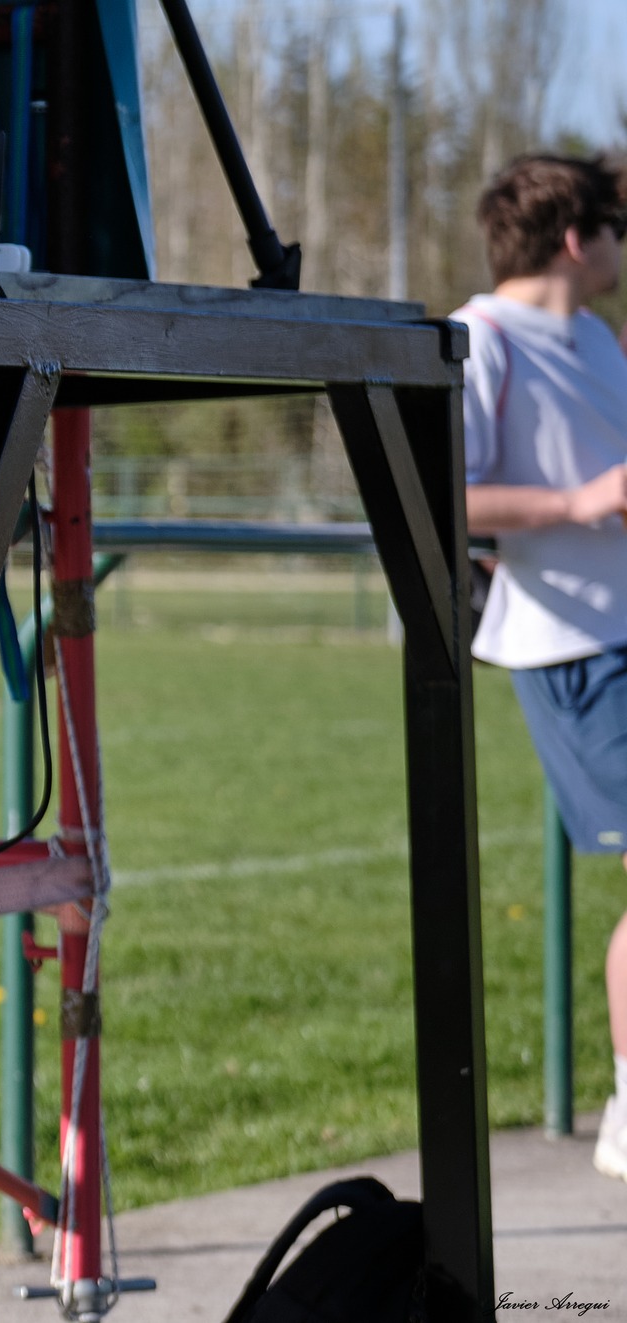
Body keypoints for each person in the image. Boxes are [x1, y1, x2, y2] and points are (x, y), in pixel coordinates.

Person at [455, 153, 627, 1182]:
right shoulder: (479, 341)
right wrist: (576, 504)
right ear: (576, 238)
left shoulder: (598, 340)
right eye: (615, 228)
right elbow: (448, 493)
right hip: (568, 648)